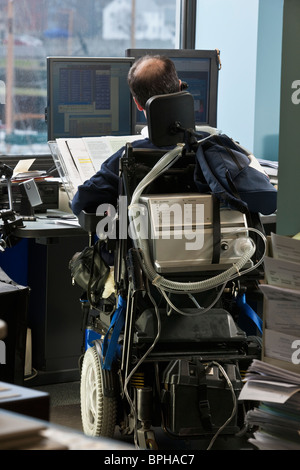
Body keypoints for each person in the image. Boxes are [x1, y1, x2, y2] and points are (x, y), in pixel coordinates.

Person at [71, 55, 182, 216]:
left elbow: (81, 202)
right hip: (202, 241)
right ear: (180, 88)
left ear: (137, 103)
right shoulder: (211, 145)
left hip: (144, 240)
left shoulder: (130, 157)